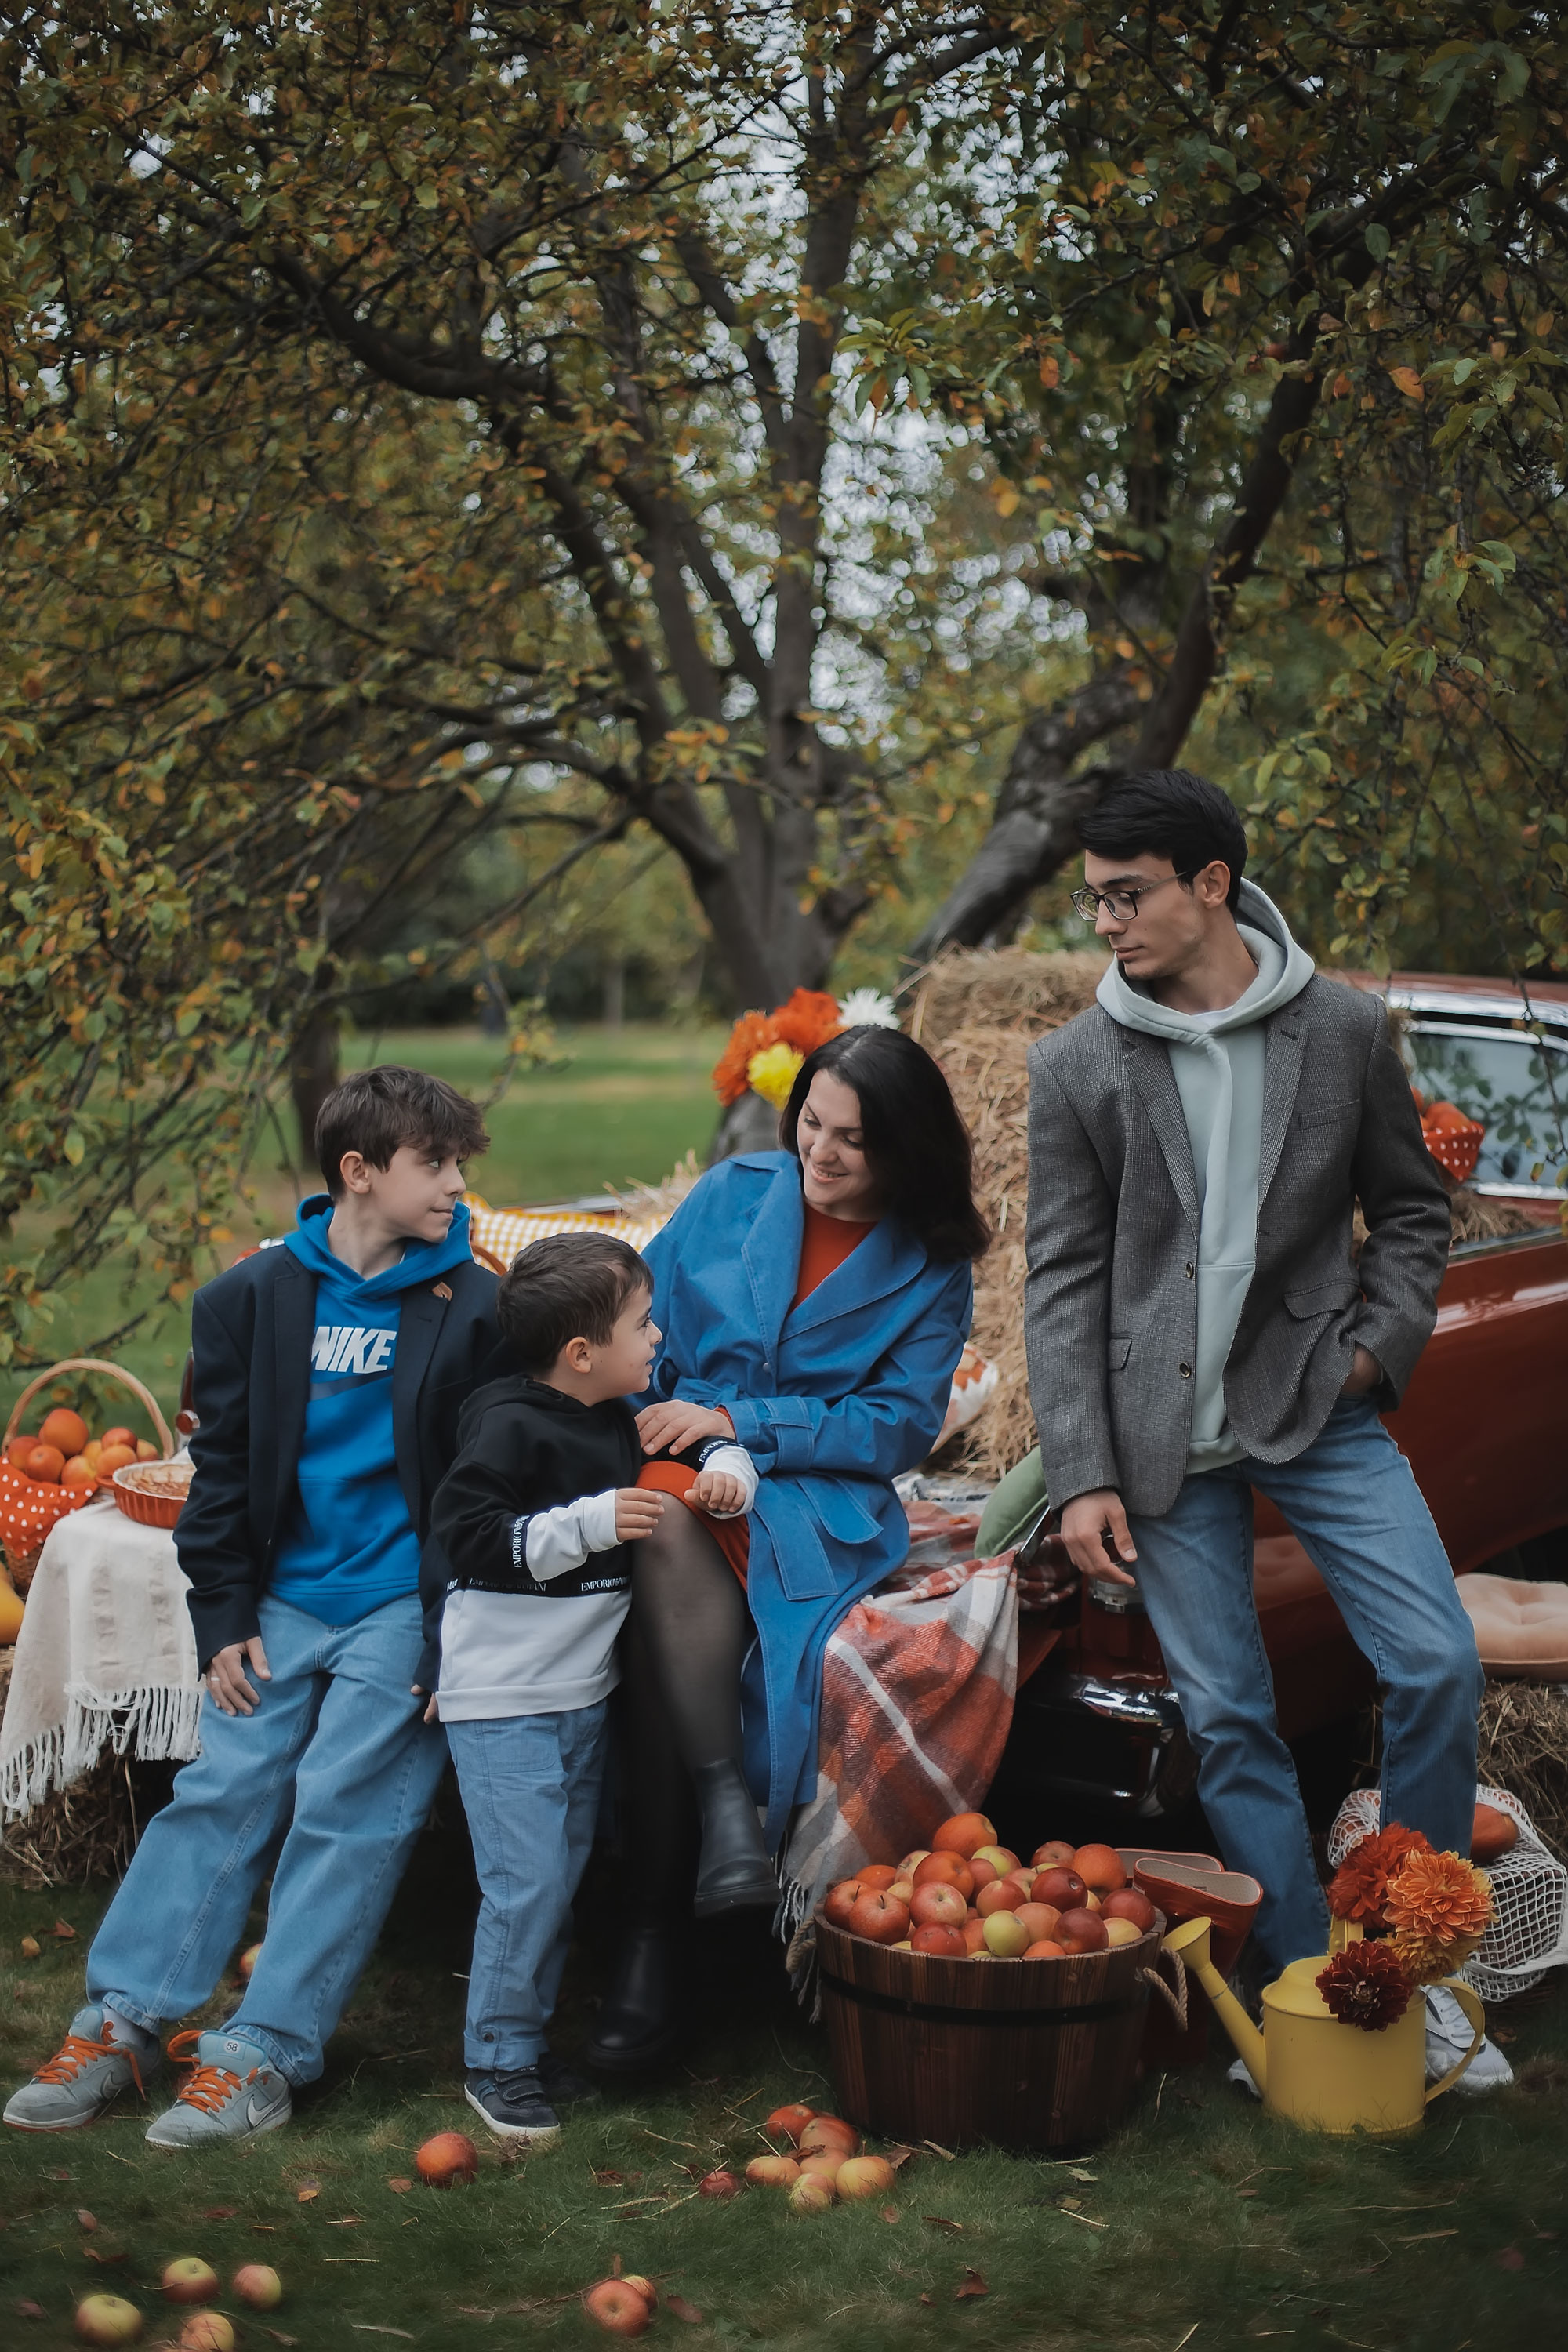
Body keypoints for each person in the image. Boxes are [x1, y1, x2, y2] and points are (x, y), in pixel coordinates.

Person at [1024, 767, 1505, 2090]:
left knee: (1436, 1662)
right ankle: (1305, 1983)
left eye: (1129, 896)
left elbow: (1411, 1210)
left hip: (1321, 1407)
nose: (1107, 924)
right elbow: (1060, 1278)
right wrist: (1081, 1474)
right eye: (1095, 901)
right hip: (1160, 1441)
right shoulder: (1076, 1065)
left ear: (1212, 884)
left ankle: (1411, 1978)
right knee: (1230, 1718)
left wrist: (1373, 1348)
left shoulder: (1343, 1032)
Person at [5, 1066, 501, 2143]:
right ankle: (122, 2020)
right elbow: (217, 1476)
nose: (458, 1184)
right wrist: (223, 1617)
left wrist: (449, 1631)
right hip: (280, 1598)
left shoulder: (476, 1305)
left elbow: (487, 1481)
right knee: (222, 1790)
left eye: (461, 1164)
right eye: (437, 1164)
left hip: (403, 1610)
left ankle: (263, 2052)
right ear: (359, 1174)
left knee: (347, 1804)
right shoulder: (248, 1300)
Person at [587, 1025, 989, 2071]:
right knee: (665, 1515)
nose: (824, 1153)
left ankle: (649, 1943)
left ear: (907, 1148)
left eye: (855, 1139)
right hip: (673, 1458)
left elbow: (896, 1427)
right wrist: (657, 1412)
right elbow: (638, 1324)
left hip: (816, 1498)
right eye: (813, 1123)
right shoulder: (730, 1194)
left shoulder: (933, 1265)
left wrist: (743, 1426)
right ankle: (713, 1824)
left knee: (667, 1537)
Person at [427, 1232, 757, 2144]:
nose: (656, 1340)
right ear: (581, 1353)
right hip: (503, 1703)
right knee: (525, 1883)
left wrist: (727, 1470)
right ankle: (495, 2061)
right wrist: (589, 1524)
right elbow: (470, 1535)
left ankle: (524, 2045)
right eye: (641, 1325)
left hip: (575, 1700)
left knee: (559, 1876)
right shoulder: (506, 1423)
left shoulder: (617, 1415)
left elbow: (693, 1459)